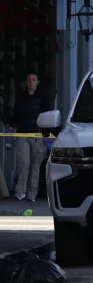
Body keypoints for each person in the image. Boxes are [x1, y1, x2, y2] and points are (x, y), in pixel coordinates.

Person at [11, 73, 50, 202]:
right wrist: (12, 129)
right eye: (28, 80)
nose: (31, 82)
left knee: (35, 165)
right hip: (23, 133)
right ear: (25, 82)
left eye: (33, 80)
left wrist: (47, 136)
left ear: (38, 82)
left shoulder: (43, 98)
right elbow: (15, 115)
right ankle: (19, 191)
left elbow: (47, 117)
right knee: (24, 162)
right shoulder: (21, 98)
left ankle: (32, 193)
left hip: (37, 135)